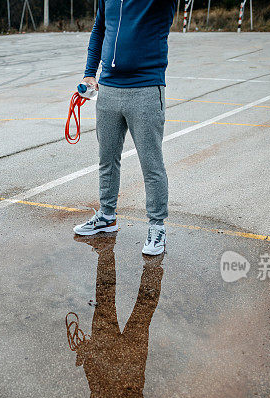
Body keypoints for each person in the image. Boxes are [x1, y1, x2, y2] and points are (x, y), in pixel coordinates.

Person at [72, 0, 176, 256]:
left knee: (151, 164)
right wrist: (89, 72)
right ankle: (107, 216)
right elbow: (100, 29)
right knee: (107, 158)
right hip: (108, 89)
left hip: (146, 88)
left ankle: (157, 226)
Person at [66, 233, 164, 398]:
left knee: (105, 297)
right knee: (142, 308)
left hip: (105, 351)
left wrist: (87, 356)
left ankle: (106, 254)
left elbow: (93, 382)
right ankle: (152, 268)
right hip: (132, 357)